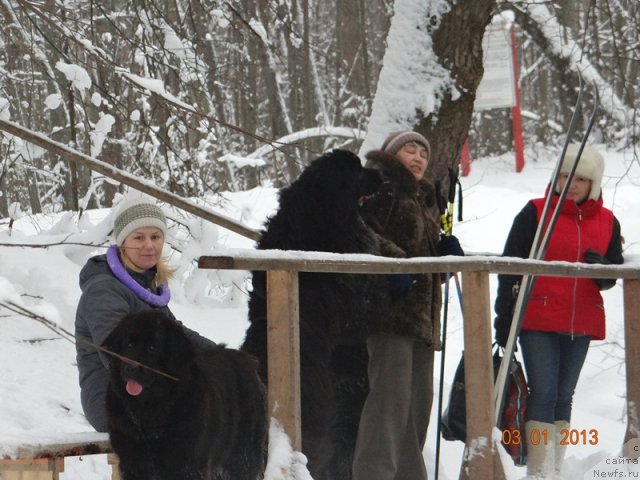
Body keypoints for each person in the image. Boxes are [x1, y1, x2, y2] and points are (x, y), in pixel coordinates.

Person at [494, 144, 624, 478]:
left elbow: (610, 280)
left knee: (565, 394)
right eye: (564, 176)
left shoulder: (609, 222)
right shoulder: (535, 212)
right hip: (537, 317)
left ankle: (555, 467)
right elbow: (510, 265)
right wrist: (503, 317)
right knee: (545, 391)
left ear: (592, 183)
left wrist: (605, 268)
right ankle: (539, 471)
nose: (571, 184)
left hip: (581, 318)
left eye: (580, 178)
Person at [352, 131, 464, 480]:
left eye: (423, 154)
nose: (417, 158)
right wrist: (396, 266)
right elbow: (360, 233)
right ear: (391, 154)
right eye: (409, 150)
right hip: (388, 313)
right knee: (389, 403)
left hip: (422, 319)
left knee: (418, 406)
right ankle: (375, 475)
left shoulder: (423, 200)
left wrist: (444, 258)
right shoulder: (378, 187)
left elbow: (426, 267)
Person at [75, 196, 215, 432]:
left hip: (150, 391)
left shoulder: (144, 285)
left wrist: (221, 357)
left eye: (155, 237)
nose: (149, 245)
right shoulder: (104, 290)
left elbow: (178, 335)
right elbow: (115, 358)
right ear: (122, 242)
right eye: (138, 237)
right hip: (112, 398)